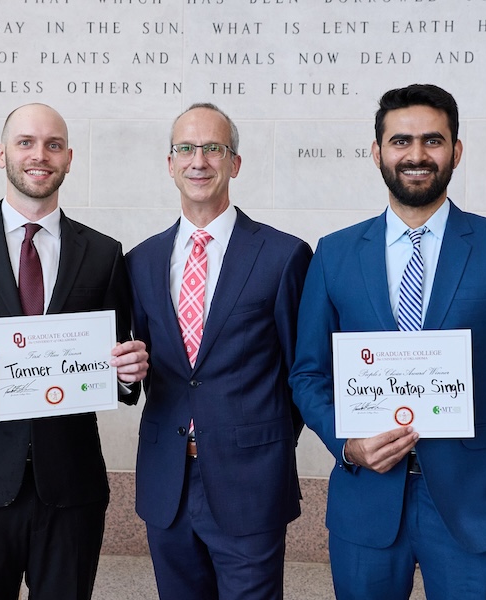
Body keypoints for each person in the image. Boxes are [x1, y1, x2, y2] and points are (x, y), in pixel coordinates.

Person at [289, 84, 486, 599]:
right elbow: (308, 375)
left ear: (455, 151)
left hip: (480, 507)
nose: (416, 155)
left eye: (432, 141)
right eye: (400, 141)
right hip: (366, 506)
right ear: (377, 153)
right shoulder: (335, 255)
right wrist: (346, 444)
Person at [0, 103, 149, 600]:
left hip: (71, 485)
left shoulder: (104, 253)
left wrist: (128, 374)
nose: (39, 155)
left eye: (53, 144)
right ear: (1, 153)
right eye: (25, 142)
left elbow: (119, 357)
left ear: (68, 158)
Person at [125, 103, 313, 600]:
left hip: (250, 482)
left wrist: (260, 443)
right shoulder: (140, 261)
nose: (199, 160)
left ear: (235, 163)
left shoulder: (283, 255)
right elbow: (137, 370)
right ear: (170, 164)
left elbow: (303, 372)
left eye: (213, 148)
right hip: (167, 482)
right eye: (185, 148)